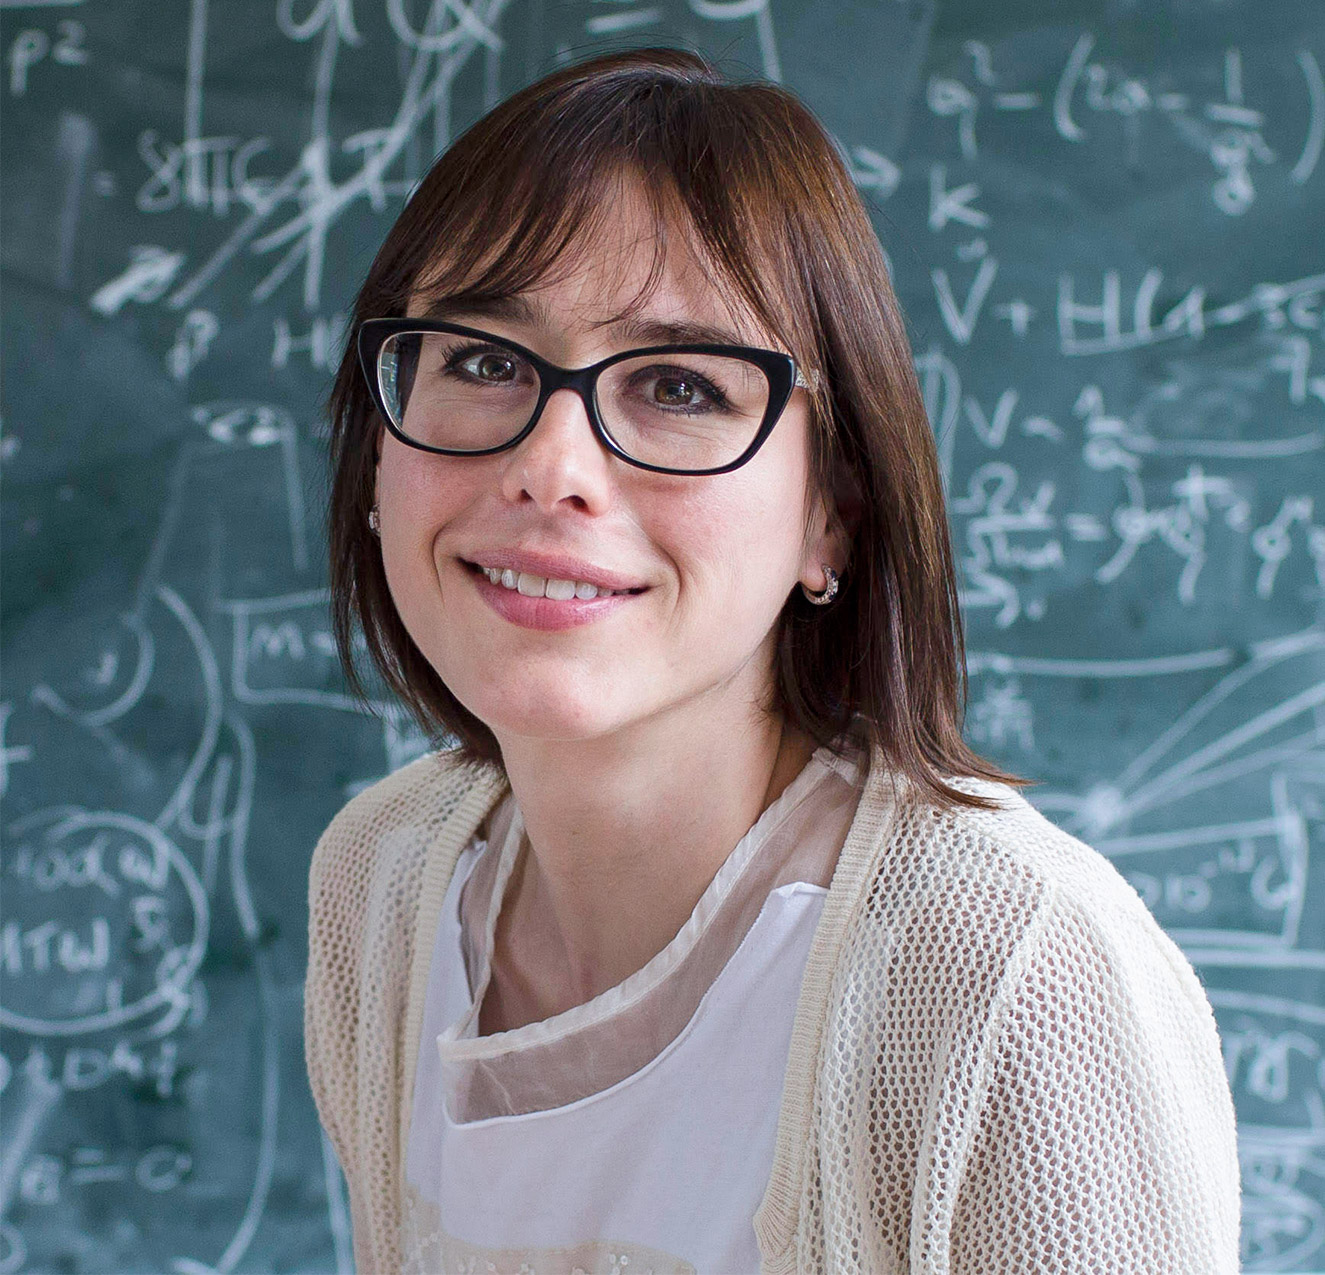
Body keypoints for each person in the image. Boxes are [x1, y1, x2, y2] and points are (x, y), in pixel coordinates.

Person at [304, 46, 1241, 1274]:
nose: (553, 467)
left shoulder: (1013, 973)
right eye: (482, 362)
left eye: (679, 385)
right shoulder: (379, 884)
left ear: (830, 512)